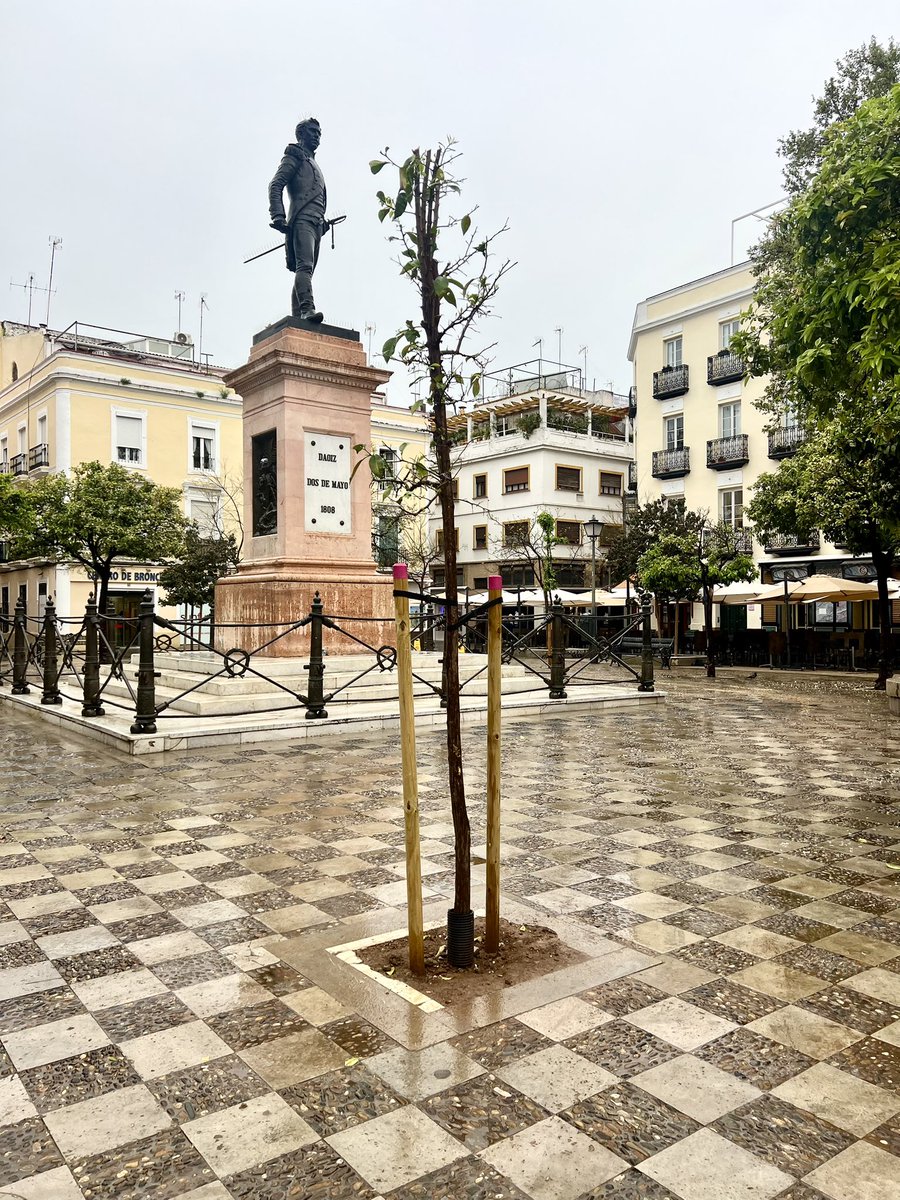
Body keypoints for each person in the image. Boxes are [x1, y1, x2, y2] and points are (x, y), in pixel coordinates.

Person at [268, 118, 330, 322]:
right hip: (301, 220)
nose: (316, 136)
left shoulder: (313, 163)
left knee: (307, 269)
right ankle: (307, 309)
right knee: (304, 266)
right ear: (301, 134)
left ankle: (298, 317)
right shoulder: (294, 156)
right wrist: (278, 215)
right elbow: (276, 185)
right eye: (312, 131)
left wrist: (323, 223)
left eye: (319, 133)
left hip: (317, 223)